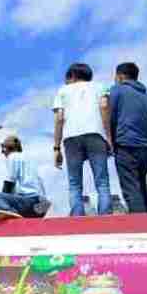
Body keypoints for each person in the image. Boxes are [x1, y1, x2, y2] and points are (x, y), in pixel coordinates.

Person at [53, 63, 112, 216]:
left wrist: (56, 148)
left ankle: (77, 219)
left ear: (72, 76)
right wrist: (108, 138)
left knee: (74, 183)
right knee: (102, 181)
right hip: (95, 134)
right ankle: (105, 218)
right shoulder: (99, 86)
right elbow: (104, 107)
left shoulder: (62, 91)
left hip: (70, 137)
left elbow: (59, 118)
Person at [107, 62, 147, 213]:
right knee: (143, 188)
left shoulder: (116, 91)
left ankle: (142, 225)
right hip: (145, 149)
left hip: (124, 146)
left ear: (120, 76)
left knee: (131, 188)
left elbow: (109, 118)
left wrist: (109, 140)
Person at [0, 135, 49, 220]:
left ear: (8, 148)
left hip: (32, 202)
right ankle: (14, 212)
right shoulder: (28, 158)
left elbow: (9, 183)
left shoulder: (13, 157)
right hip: (43, 207)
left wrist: (3, 203)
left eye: (3, 149)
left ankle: (11, 212)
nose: (2, 152)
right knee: (12, 199)